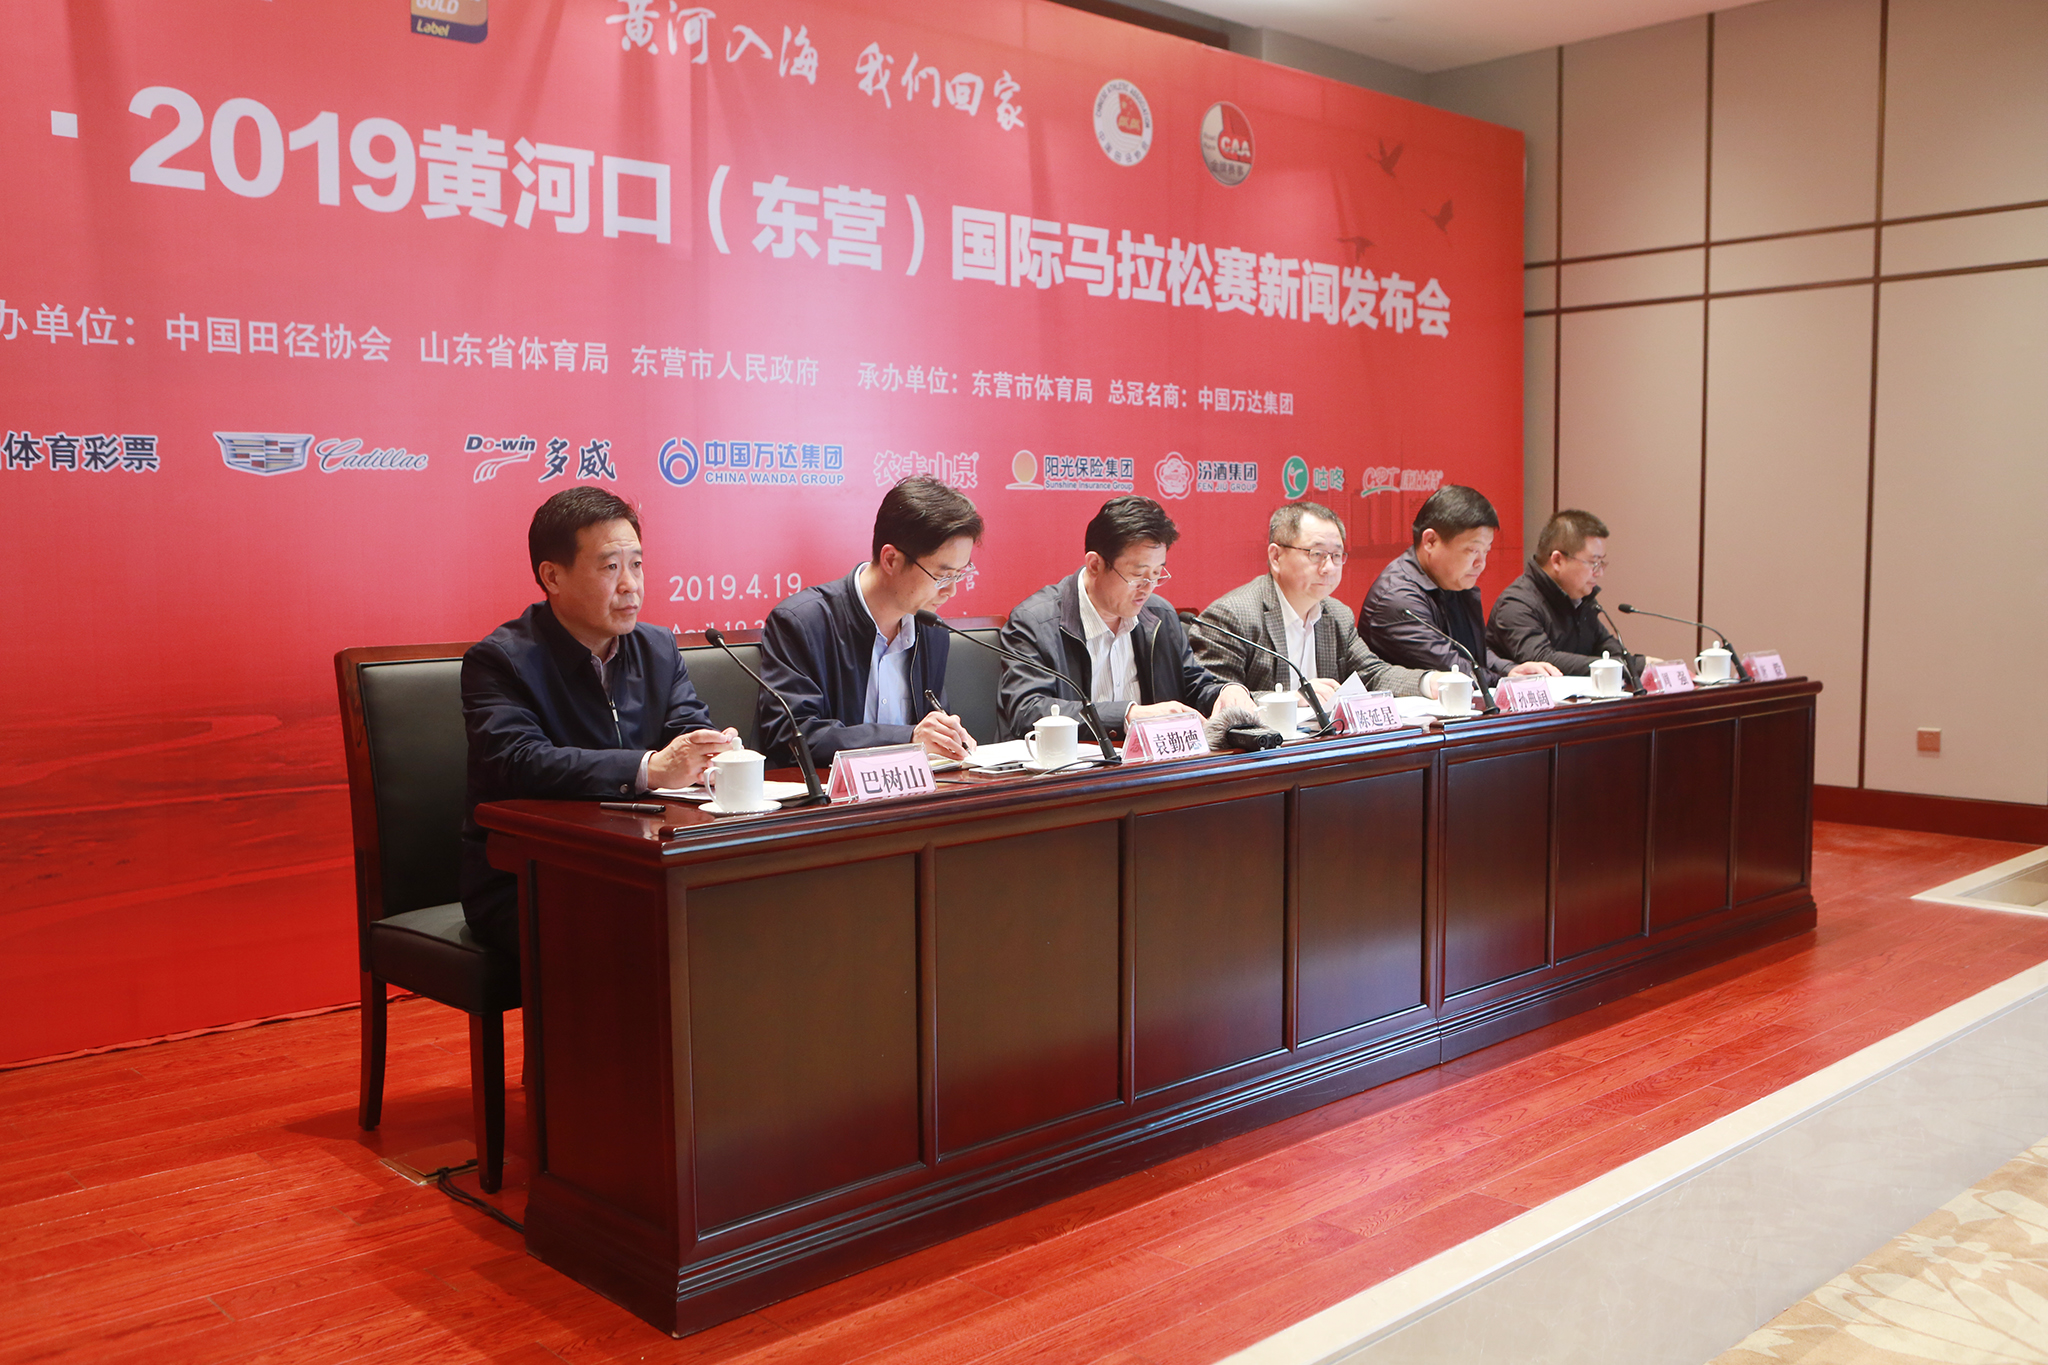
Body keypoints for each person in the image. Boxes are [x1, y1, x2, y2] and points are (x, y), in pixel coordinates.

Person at [461, 486, 737, 955]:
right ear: (552, 576)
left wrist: (709, 752)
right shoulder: (501, 661)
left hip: (642, 863)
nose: (631, 584)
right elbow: (520, 761)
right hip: (531, 877)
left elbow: (685, 731)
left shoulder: (657, 648)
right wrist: (649, 768)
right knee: (656, 935)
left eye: (637, 564)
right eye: (611, 567)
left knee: (742, 908)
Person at [756, 476, 982, 767]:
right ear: (891, 560)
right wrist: (907, 738)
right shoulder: (802, 623)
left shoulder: (931, 631)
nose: (951, 590)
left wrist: (946, 738)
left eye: (959, 575)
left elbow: (931, 727)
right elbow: (793, 737)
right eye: (942, 576)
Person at [998, 494, 1253, 740]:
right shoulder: (1035, 622)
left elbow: (1194, 687)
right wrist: (1128, 715)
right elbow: (1028, 710)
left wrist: (1226, 692)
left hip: (1150, 766)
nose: (1148, 587)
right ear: (1095, 565)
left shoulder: (1160, 616)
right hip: (1068, 766)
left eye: (1157, 573)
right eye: (1138, 575)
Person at [1193, 499, 1464, 704]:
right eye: (1316, 554)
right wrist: (1291, 699)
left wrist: (1429, 681)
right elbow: (1212, 695)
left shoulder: (1337, 615)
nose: (1329, 567)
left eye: (1337, 555)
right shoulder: (1232, 616)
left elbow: (1372, 675)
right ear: (1276, 557)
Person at [1361, 485, 1560, 688]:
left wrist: (1509, 669)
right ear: (1431, 541)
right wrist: (1508, 682)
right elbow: (1454, 669)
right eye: (1472, 550)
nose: (1481, 563)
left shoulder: (1450, 580)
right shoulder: (1398, 599)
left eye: (1486, 551)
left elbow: (1470, 653)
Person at [1487, 509, 1656, 682]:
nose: (1599, 573)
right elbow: (1543, 660)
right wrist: (1632, 666)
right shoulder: (1516, 604)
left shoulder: (1580, 600)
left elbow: (1608, 649)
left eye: (1601, 563)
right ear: (1557, 561)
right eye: (1593, 563)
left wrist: (1637, 666)